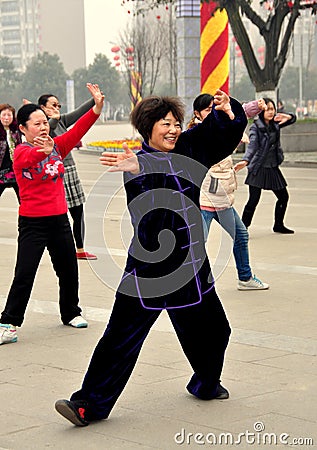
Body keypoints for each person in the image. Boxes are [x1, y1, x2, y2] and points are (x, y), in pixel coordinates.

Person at [54, 90, 247, 427]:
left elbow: (219, 134)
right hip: (150, 271)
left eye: (175, 123)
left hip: (192, 269)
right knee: (119, 339)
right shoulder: (136, 164)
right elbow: (155, 184)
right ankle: (87, 405)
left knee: (216, 332)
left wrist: (229, 114)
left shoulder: (189, 147)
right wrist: (142, 164)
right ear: (148, 128)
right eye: (164, 124)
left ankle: (205, 383)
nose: (172, 130)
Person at [0, 83, 104, 345]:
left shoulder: (58, 146)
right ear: (22, 128)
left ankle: (70, 312)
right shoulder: (21, 151)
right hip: (33, 224)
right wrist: (40, 152)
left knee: (68, 269)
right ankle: (9, 323)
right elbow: (26, 160)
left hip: (59, 221)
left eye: (45, 122)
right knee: (25, 273)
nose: (43, 127)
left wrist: (96, 108)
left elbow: (80, 128)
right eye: (36, 124)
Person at [190, 93, 269, 291]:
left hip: (222, 199)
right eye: (207, 110)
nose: (212, 113)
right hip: (204, 200)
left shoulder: (220, 128)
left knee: (241, 235)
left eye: (213, 108)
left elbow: (237, 116)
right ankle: (189, 283)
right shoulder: (198, 132)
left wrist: (254, 107)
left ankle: (245, 277)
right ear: (197, 114)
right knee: (197, 243)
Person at [37, 92, 97, 260]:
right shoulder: (44, 126)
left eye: (59, 106)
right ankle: (62, 249)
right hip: (56, 172)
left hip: (70, 170)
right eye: (53, 105)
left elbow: (80, 112)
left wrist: (95, 99)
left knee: (78, 212)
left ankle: (80, 249)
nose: (57, 108)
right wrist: (53, 119)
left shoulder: (62, 119)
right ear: (43, 108)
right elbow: (49, 129)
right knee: (59, 215)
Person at [239, 98, 296, 234]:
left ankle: (278, 225)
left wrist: (289, 116)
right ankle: (242, 229)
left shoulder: (275, 125)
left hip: (272, 166)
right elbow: (252, 147)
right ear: (261, 111)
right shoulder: (256, 127)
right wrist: (246, 160)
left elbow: (292, 119)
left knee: (283, 197)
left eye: (273, 109)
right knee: (253, 201)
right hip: (258, 168)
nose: (271, 112)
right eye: (267, 109)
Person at [0, 103, 22, 202]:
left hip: (15, 171)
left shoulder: (17, 130)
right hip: (1, 171)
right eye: (4, 115)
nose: (6, 118)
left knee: (23, 199)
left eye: (9, 115)